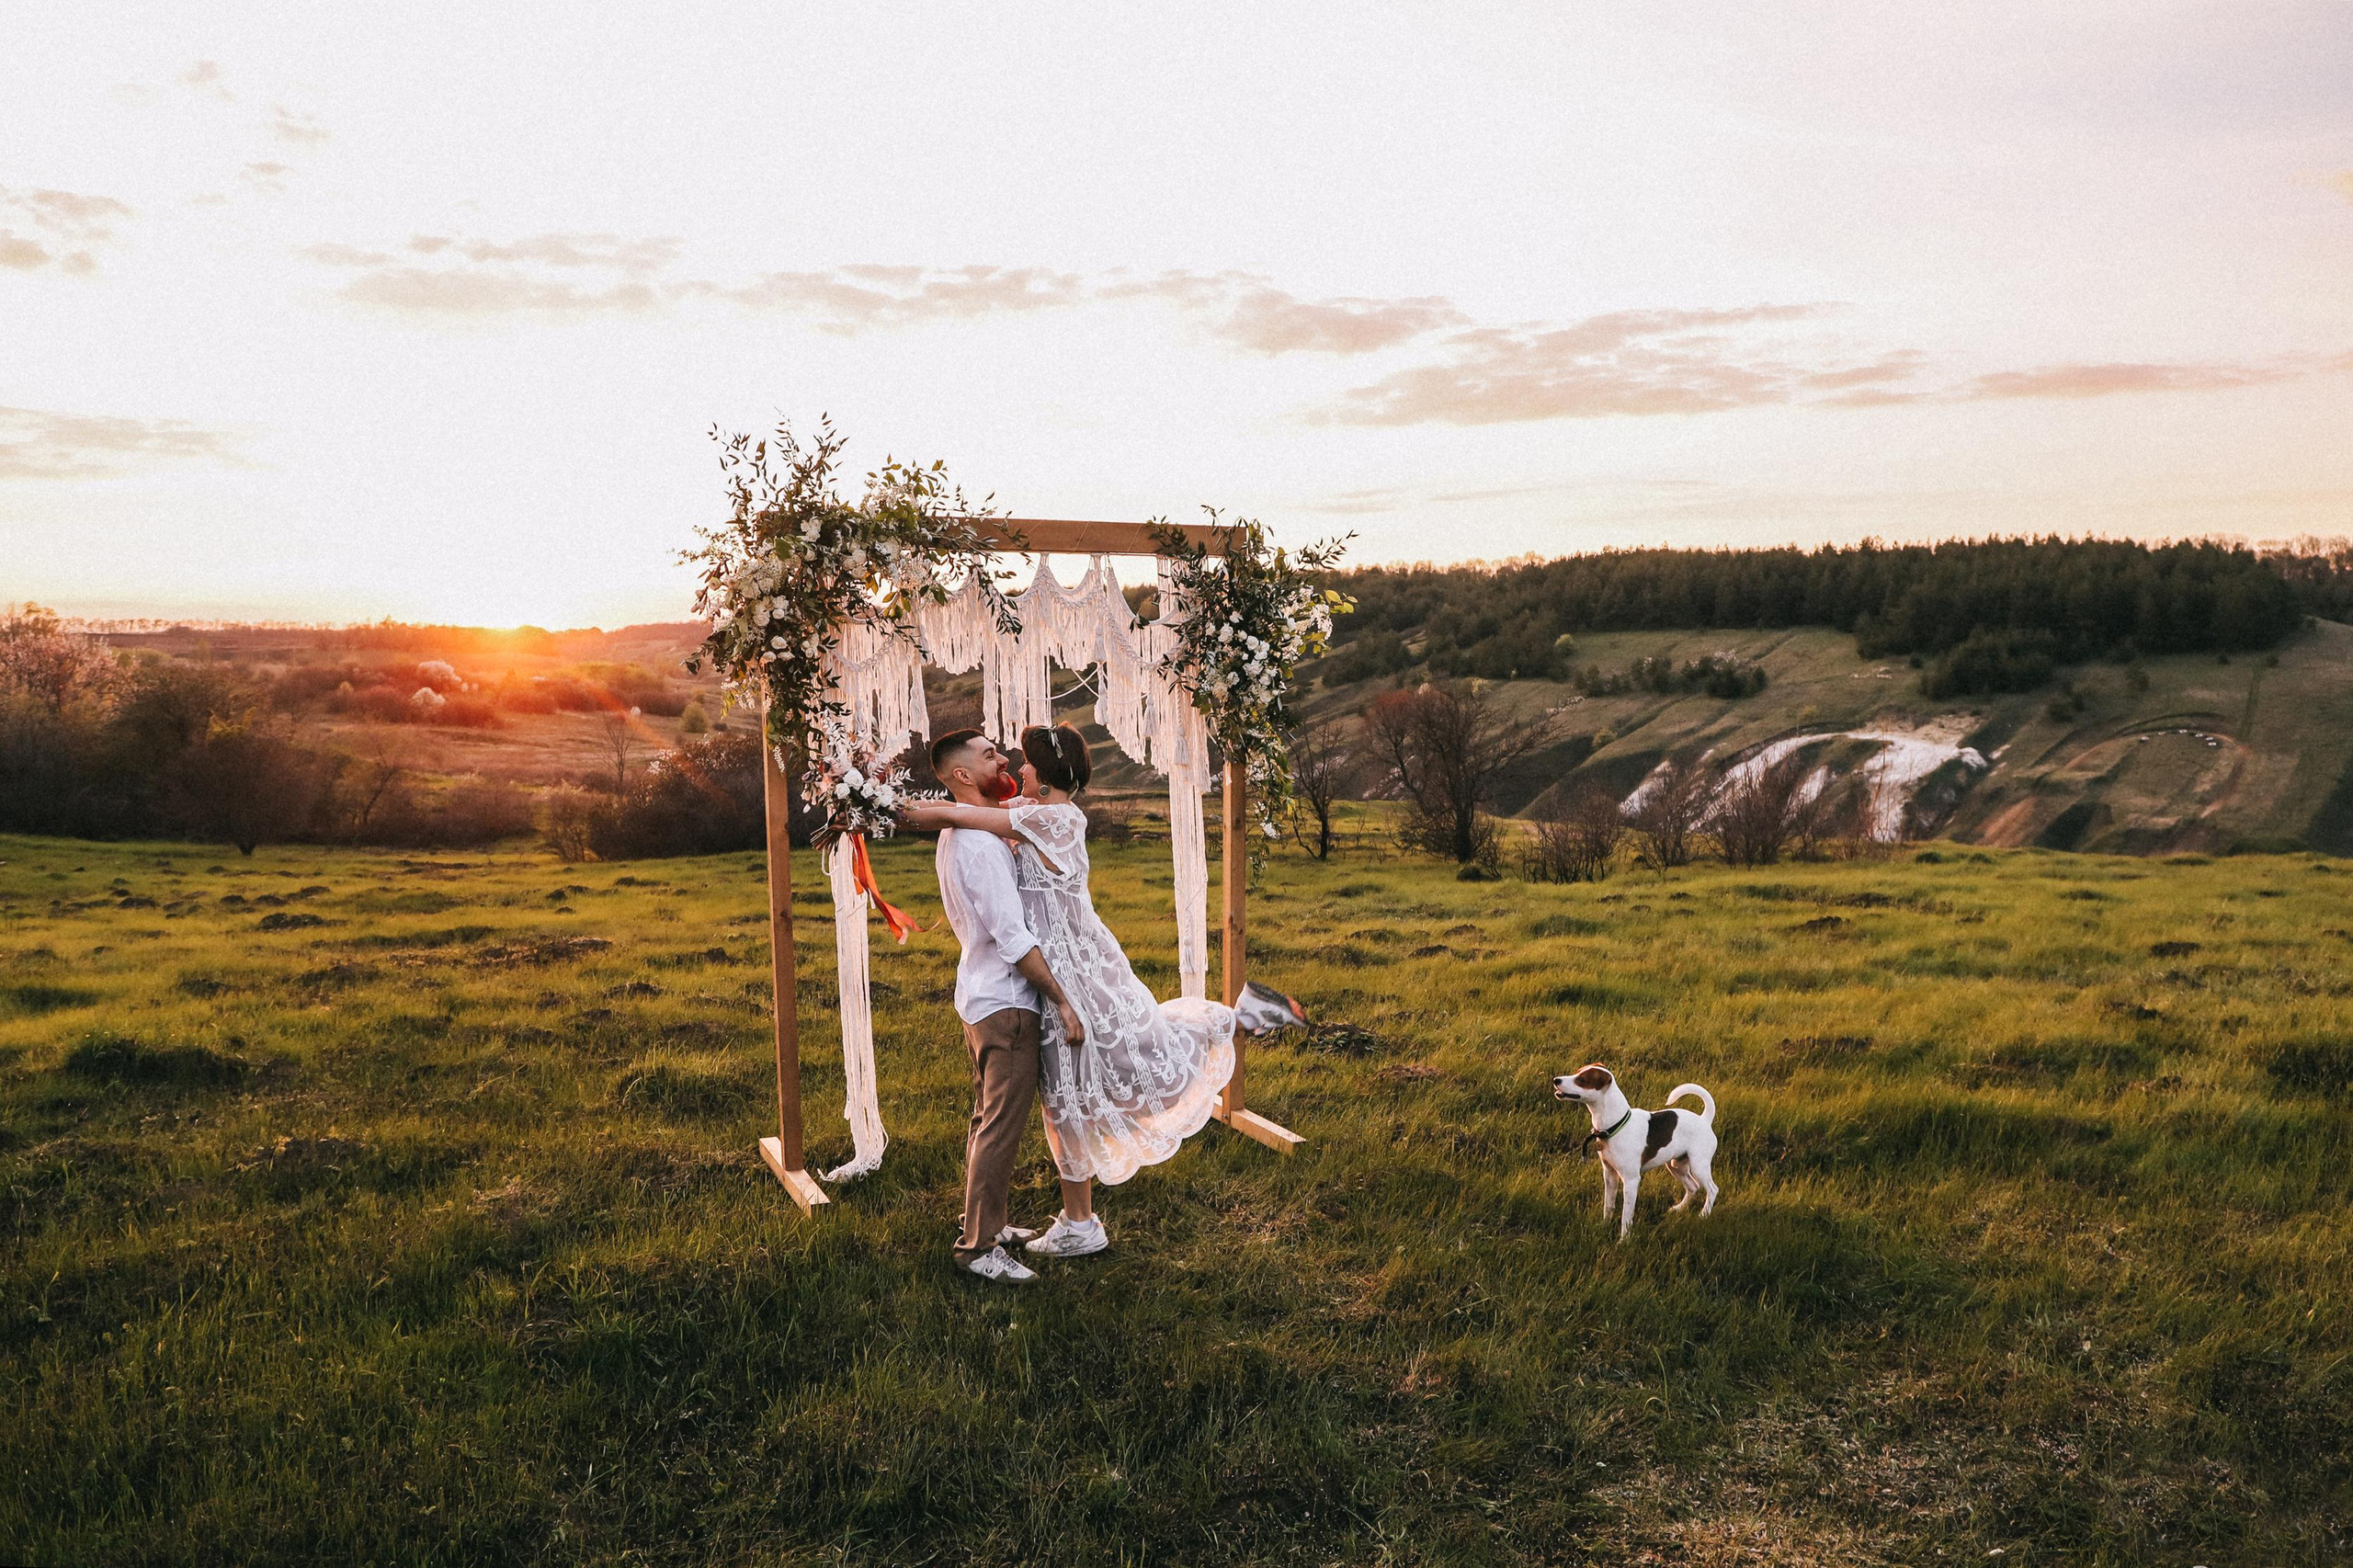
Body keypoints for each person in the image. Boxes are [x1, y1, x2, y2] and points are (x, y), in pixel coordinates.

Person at [906, 723, 1236, 1261]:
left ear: (1045, 776)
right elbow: (968, 824)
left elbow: (955, 813)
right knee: (1063, 1096)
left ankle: (1224, 1027)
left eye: (1026, 764)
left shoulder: (1049, 817)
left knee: (1093, 1080)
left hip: (1074, 973)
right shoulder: (1027, 821)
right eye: (1003, 759)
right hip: (1049, 975)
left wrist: (874, 806)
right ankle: (1077, 1221)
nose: (1017, 768)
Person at [926, 728, 1087, 1286]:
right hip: (1008, 1004)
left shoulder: (967, 832)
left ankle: (988, 1225)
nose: (1005, 758)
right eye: (990, 754)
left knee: (985, 1120)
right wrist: (1063, 1001)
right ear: (963, 775)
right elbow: (1014, 940)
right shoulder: (977, 844)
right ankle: (977, 1249)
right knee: (1000, 1128)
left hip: (981, 995)